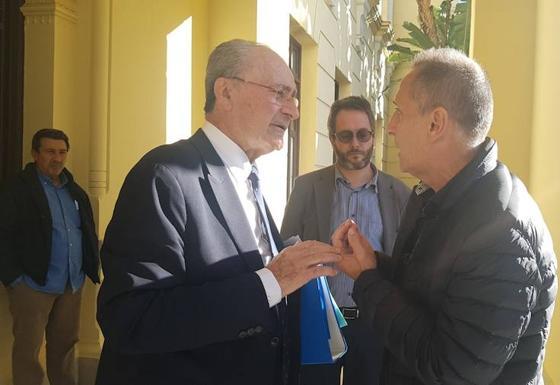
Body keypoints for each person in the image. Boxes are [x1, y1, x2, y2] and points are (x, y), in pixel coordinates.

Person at [95, 39, 341, 385]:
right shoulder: (165, 175)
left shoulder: (248, 176)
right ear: (225, 91)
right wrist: (273, 280)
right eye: (280, 93)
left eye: (294, 96)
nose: (293, 110)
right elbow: (133, 319)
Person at [331, 48, 558, 385]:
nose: (390, 128)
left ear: (435, 123)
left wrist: (368, 282)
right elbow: (427, 291)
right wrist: (374, 265)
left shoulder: (501, 234)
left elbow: (451, 370)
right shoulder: (435, 194)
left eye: (399, 113)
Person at [281, 96, 410, 385]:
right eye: (346, 136)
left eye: (363, 135)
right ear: (332, 139)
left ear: (373, 138)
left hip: (373, 323)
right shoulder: (305, 188)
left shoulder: (400, 194)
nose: (355, 144)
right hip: (319, 321)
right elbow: (286, 247)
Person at [0, 128, 100, 385]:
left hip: (71, 285)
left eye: (62, 152)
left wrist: (89, 268)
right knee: (28, 352)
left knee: (65, 350)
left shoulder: (75, 191)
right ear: (35, 154)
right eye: (50, 152)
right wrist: (14, 279)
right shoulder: (17, 189)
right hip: (33, 284)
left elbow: (86, 231)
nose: (57, 158)